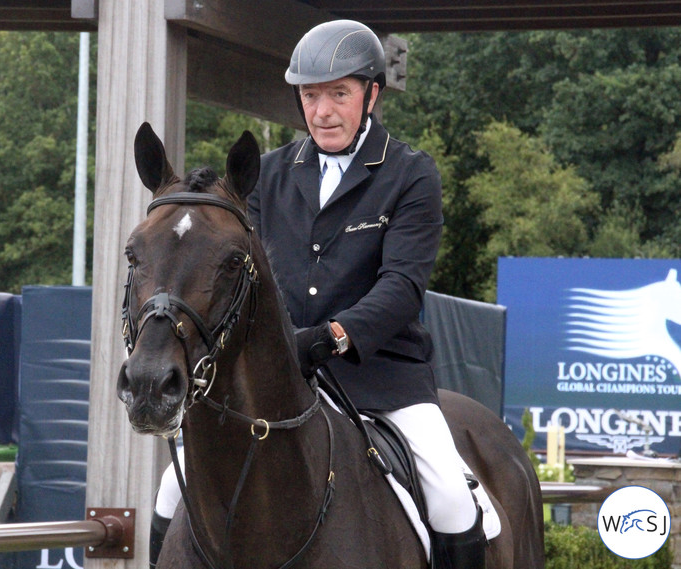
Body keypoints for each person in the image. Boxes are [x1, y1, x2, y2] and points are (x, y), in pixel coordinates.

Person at [151, 19, 485, 569]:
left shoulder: (409, 174)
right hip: (281, 379)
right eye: (311, 96)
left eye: (339, 94)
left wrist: (332, 337)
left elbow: (401, 286)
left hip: (382, 377)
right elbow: (248, 279)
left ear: (371, 94)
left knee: (451, 498)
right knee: (171, 488)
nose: (323, 111)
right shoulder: (270, 174)